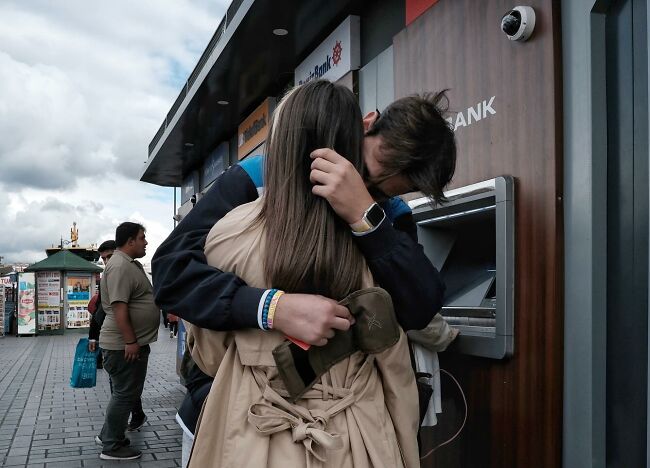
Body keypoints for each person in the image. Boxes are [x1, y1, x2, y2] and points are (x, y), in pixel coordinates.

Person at [153, 85, 457, 465]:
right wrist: (270, 307)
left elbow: (421, 307)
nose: (367, 189)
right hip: (238, 413)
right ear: (365, 125)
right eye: (367, 175)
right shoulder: (254, 179)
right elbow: (171, 272)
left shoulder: (387, 216)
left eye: (383, 192)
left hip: (343, 428)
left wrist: (365, 214)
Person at [97, 223, 160, 461]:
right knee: (124, 395)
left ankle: (109, 436)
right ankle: (112, 446)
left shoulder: (129, 264)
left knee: (123, 394)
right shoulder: (120, 266)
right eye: (142, 238)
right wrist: (131, 341)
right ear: (130, 241)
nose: (146, 242)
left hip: (126, 343)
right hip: (123, 345)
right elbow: (119, 306)